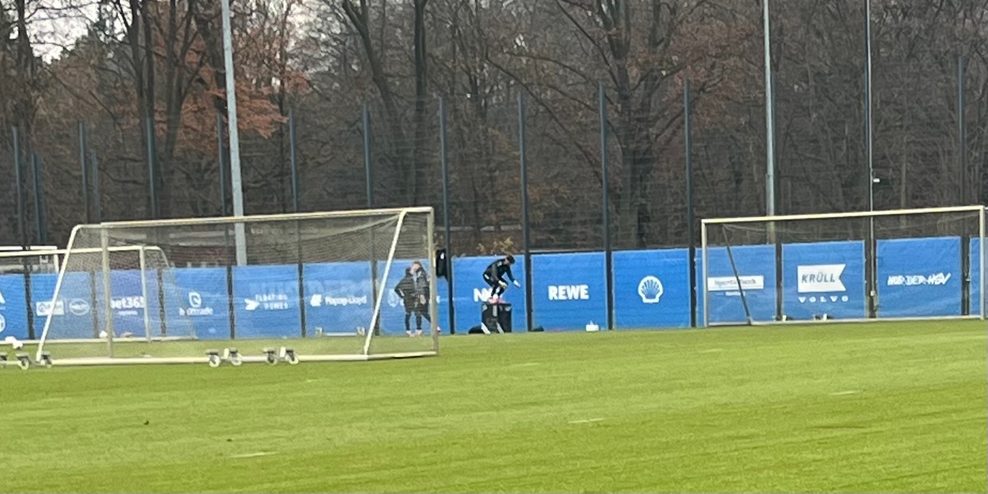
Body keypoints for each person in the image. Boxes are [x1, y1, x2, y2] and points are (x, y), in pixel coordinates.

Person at [394, 261, 431, 336]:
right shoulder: (411, 280)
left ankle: (408, 330)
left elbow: (396, 289)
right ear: (409, 272)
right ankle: (418, 330)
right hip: (413, 299)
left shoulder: (403, 280)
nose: (413, 271)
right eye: (412, 270)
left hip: (407, 299)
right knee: (418, 313)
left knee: (408, 314)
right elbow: (416, 289)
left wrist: (402, 296)